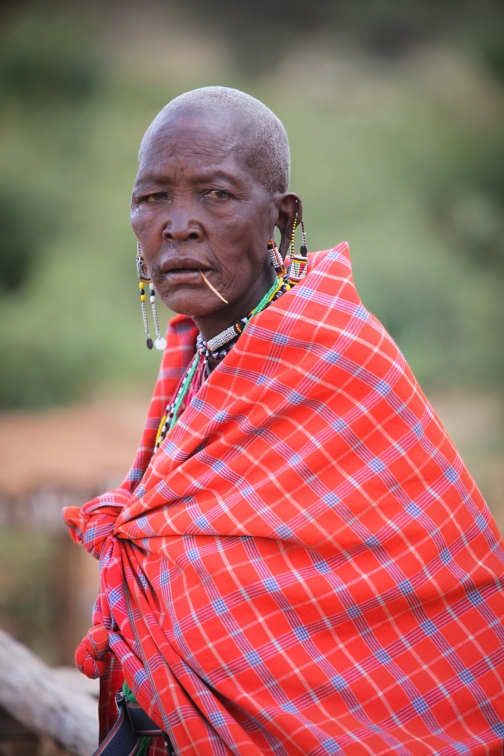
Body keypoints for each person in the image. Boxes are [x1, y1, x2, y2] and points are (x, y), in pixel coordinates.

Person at [63, 87, 504, 756]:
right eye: (153, 197)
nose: (178, 224)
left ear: (283, 220)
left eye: (216, 194)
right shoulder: (196, 356)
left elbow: (414, 607)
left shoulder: (333, 357)